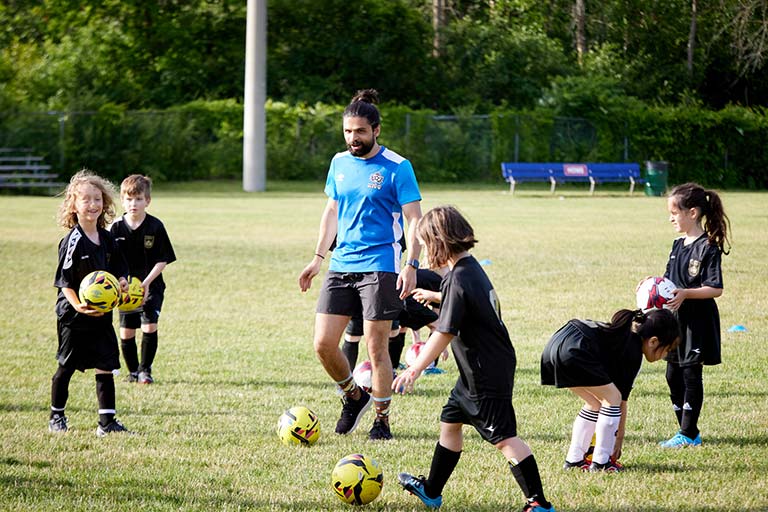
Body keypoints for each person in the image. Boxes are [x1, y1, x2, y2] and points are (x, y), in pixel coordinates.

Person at [393, 205, 555, 512]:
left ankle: (539, 504)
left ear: (441, 241)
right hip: (479, 368)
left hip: (484, 370)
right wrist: (435, 297)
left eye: (428, 243)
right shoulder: (468, 270)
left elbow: (443, 333)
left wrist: (414, 368)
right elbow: (466, 299)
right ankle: (432, 491)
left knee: (504, 438)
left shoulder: (459, 278)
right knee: (450, 421)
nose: (426, 250)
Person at [298, 89, 422, 441]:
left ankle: (381, 420)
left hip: (380, 264)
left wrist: (411, 263)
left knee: (375, 347)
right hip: (341, 264)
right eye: (348, 132)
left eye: (360, 132)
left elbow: (415, 219)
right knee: (323, 344)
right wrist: (318, 258)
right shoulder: (338, 163)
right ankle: (354, 396)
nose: (353, 139)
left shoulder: (398, 167)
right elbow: (332, 212)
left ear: (376, 130)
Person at [540, 308, 681, 472]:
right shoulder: (633, 351)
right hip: (574, 350)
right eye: (667, 349)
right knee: (612, 398)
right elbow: (620, 401)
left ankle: (574, 460)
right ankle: (602, 462)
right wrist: (618, 439)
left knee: (594, 403)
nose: (665, 356)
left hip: (556, 344)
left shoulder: (624, 336)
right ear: (653, 341)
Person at [49, 169, 132, 436]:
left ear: (104, 203)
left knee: (106, 363)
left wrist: (121, 283)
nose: (93, 205)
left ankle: (107, 423)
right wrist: (76, 305)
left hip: (102, 314)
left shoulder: (108, 238)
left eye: (98, 199)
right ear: (73, 204)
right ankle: (56, 416)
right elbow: (64, 281)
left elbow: (120, 268)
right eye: (86, 199)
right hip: (74, 316)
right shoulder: (72, 241)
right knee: (67, 366)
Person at [657, 182, 730, 448]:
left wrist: (686, 293)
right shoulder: (677, 245)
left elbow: (715, 289)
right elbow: (668, 281)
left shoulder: (708, 246)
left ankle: (687, 433)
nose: (670, 218)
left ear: (693, 213)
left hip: (697, 322)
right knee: (672, 375)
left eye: (674, 213)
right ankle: (688, 431)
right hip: (673, 322)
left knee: (690, 374)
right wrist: (651, 288)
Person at [110, 174, 177, 385]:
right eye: (129, 199)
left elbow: (162, 260)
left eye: (138, 199)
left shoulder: (155, 226)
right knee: (127, 331)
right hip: (124, 287)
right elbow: (109, 259)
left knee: (150, 325)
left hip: (152, 284)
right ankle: (132, 372)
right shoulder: (116, 227)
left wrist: (145, 284)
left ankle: (145, 371)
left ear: (147, 201)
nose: (133, 204)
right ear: (122, 200)